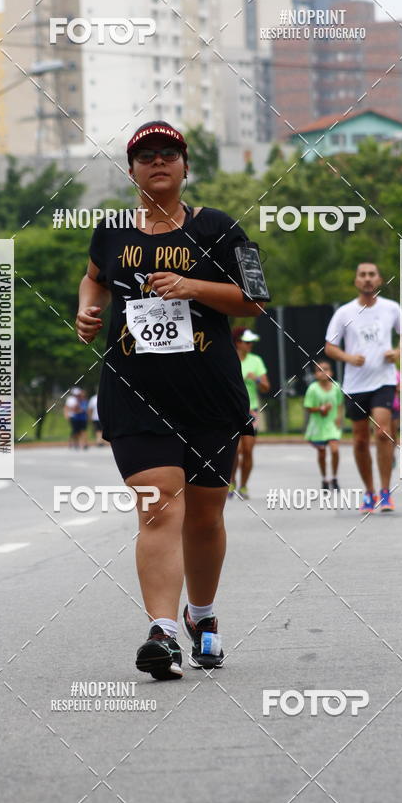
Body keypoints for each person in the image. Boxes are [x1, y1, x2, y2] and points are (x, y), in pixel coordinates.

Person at [76, 119, 267, 680]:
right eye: (145, 155)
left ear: (185, 167)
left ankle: (201, 617)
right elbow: (94, 279)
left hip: (209, 394)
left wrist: (193, 287)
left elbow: (255, 299)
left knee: (205, 516)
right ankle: (161, 631)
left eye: (169, 153)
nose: (158, 161)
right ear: (131, 170)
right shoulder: (111, 231)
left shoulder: (220, 229)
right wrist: (87, 309)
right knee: (159, 503)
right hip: (135, 393)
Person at [324, 261, 402, 513]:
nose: (368, 279)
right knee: (360, 440)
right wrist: (349, 358)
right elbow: (330, 347)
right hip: (355, 384)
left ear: (379, 280)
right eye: (363, 275)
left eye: (372, 275)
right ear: (356, 281)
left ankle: (385, 491)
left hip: (383, 380)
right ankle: (369, 492)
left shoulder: (391, 308)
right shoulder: (344, 313)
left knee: (382, 432)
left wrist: (398, 351)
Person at [229, 327, 270, 499]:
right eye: (247, 342)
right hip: (231, 410)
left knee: (248, 449)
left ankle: (244, 485)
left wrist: (257, 379)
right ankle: (231, 482)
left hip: (251, 410)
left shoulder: (256, 360)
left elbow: (266, 387)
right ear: (237, 343)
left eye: (251, 342)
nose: (250, 345)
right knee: (234, 450)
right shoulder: (228, 359)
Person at [303, 359, 344, 491]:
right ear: (315, 374)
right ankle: (324, 478)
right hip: (318, 426)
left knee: (335, 450)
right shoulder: (312, 389)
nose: (323, 373)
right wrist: (320, 409)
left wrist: (339, 417)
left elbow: (340, 404)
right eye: (319, 370)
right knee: (321, 452)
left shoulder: (336, 386)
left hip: (331, 425)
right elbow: (308, 407)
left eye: (326, 369)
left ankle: (335, 477)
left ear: (331, 372)